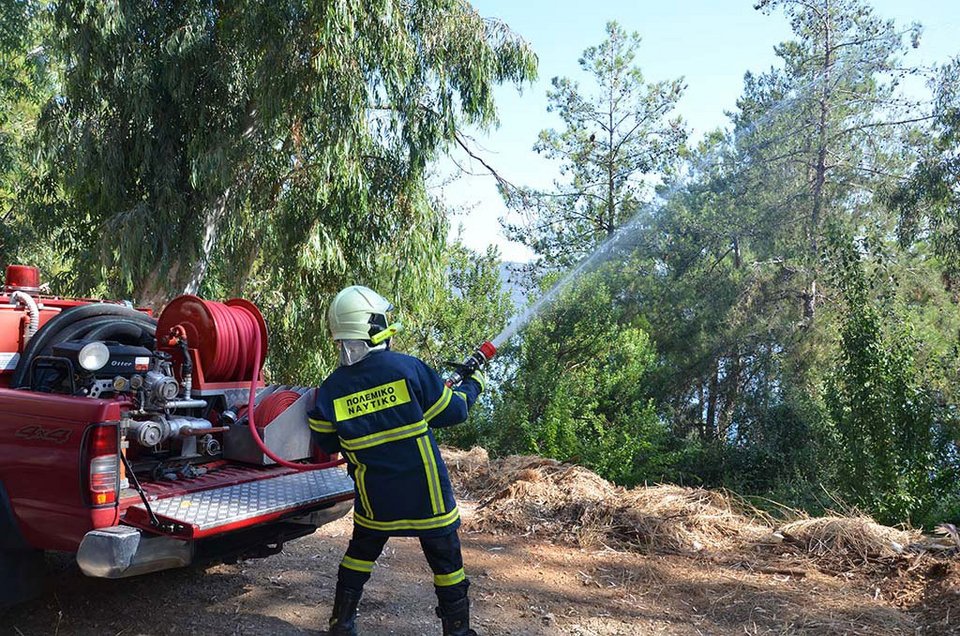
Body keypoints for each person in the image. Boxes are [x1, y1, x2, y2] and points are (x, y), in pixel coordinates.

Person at [308, 285, 484, 636]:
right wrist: (474, 384)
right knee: (446, 560)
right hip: (427, 495)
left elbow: (325, 439)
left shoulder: (330, 390)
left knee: (360, 552)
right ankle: (458, 631)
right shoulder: (408, 368)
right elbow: (454, 411)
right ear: (373, 326)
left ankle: (341, 624)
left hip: (377, 498)